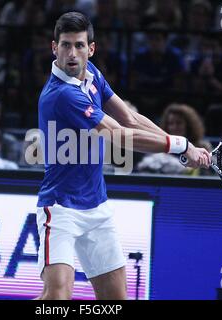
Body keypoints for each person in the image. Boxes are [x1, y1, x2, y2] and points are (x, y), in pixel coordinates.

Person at [36, 12, 210, 300]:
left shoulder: (92, 74)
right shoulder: (61, 95)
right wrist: (179, 146)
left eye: (79, 45)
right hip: (61, 209)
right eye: (65, 45)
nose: (72, 53)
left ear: (91, 49)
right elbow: (119, 134)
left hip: (97, 208)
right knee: (56, 300)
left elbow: (129, 118)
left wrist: (182, 148)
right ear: (54, 48)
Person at [137, 103, 212, 175]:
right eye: (171, 123)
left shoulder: (203, 146)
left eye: (179, 123)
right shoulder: (158, 147)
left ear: (189, 125)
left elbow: (209, 174)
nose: (174, 127)